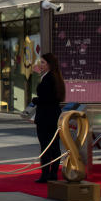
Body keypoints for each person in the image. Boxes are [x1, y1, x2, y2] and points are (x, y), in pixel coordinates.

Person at [33, 53, 65, 183]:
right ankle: (53, 173)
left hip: (45, 117)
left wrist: (35, 100)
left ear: (50, 64)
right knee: (54, 145)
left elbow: (46, 99)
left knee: (46, 146)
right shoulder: (56, 78)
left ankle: (46, 174)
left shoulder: (48, 79)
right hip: (54, 116)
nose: (40, 65)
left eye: (43, 63)